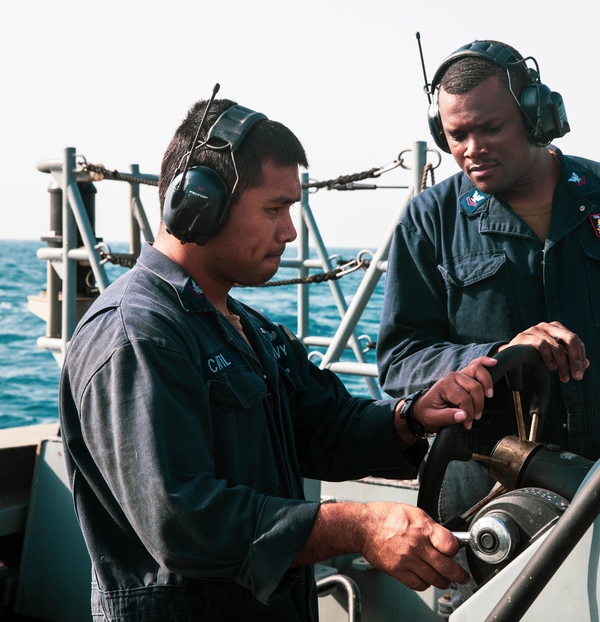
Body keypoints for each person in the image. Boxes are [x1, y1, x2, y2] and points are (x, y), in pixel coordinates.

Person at [58, 94, 497, 621]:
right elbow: (183, 521)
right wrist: (357, 526)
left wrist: (411, 416)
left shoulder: (245, 327)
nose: (290, 231)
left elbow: (324, 425)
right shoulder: (136, 337)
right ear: (199, 205)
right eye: (274, 209)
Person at [377, 40, 600, 522]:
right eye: (456, 135)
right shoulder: (429, 220)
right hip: (482, 476)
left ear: (536, 115)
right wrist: (499, 355)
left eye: (491, 128)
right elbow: (400, 362)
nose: (472, 150)